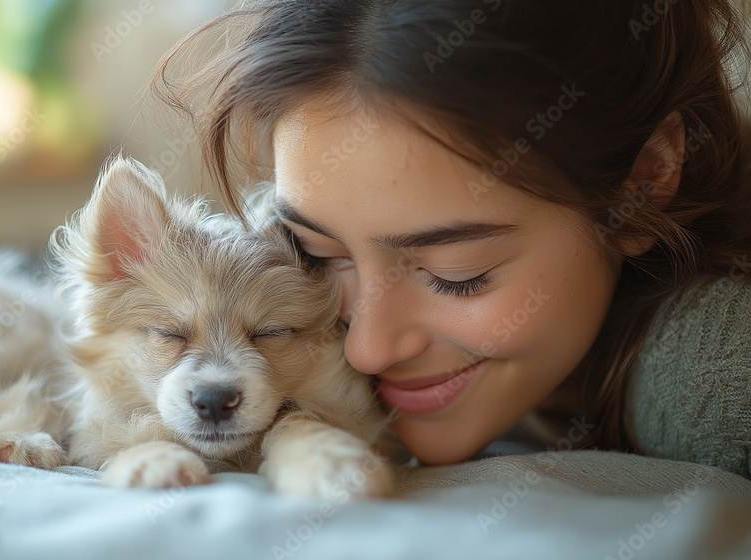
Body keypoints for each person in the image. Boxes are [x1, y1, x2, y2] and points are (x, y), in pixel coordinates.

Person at [151, 0, 751, 478]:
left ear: (642, 186)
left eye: (456, 274)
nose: (367, 350)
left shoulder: (714, 375)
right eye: (316, 253)